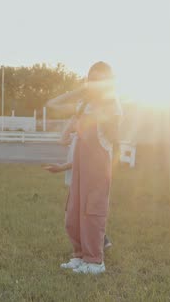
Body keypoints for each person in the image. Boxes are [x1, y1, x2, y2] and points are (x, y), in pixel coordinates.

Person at [46, 61, 122, 274]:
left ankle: (95, 261)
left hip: (97, 169)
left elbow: (110, 133)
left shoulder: (111, 105)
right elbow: (53, 106)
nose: (94, 83)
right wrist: (80, 91)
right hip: (80, 167)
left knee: (92, 213)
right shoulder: (83, 105)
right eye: (91, 78)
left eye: (99, 79)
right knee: (74, 213)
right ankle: (79, 255)